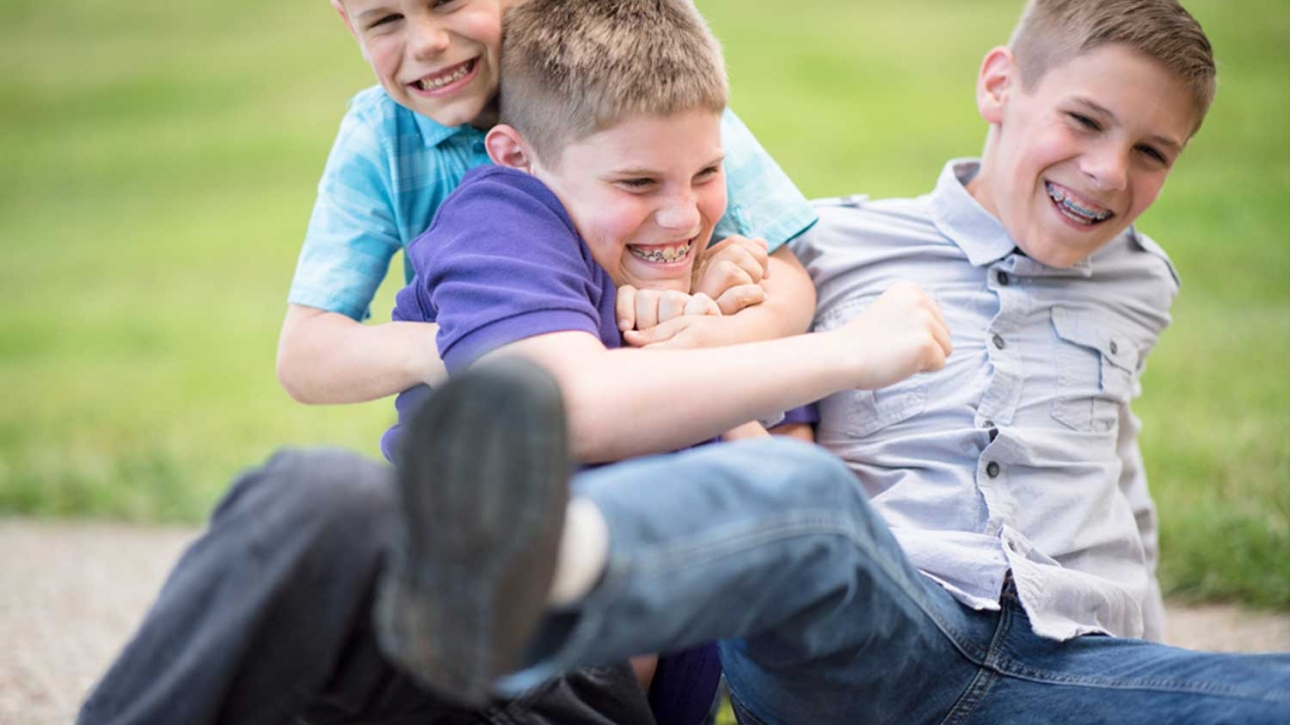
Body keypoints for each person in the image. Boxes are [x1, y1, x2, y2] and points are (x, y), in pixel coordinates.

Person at [388, 0, 1290, 723]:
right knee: (807, 495)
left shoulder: (1142, 282)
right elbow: (737, 284)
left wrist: (1149, 635)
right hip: (879, 628)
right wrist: (768, 316)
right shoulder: (834, 239)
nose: (1105, 170)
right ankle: (522, 570)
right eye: (1085, 122)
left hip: (1069, 670)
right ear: (999, 83)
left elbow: (1112, 451)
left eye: (1151, 153)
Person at [76, 1, 949, 724]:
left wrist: (712, 337)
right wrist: (460, 350)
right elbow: (320, 352)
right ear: (523, 162)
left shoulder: (692, 198)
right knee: (316, 496)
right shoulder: (500, 207)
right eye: (637, 184)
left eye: (703, 174)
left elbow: (778, 493)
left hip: (574, 685)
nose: (681, 214)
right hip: (471, 635)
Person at [275, 0, 822, 406]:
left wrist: (712, 340)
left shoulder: (620, 74)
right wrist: (475, 344)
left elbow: (786, 272)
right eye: (385, 21)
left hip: (682, 394)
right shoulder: (382, 137)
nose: (426, 43)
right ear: (349, 22)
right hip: (513, 443)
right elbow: (305, 355)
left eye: (448, 2)